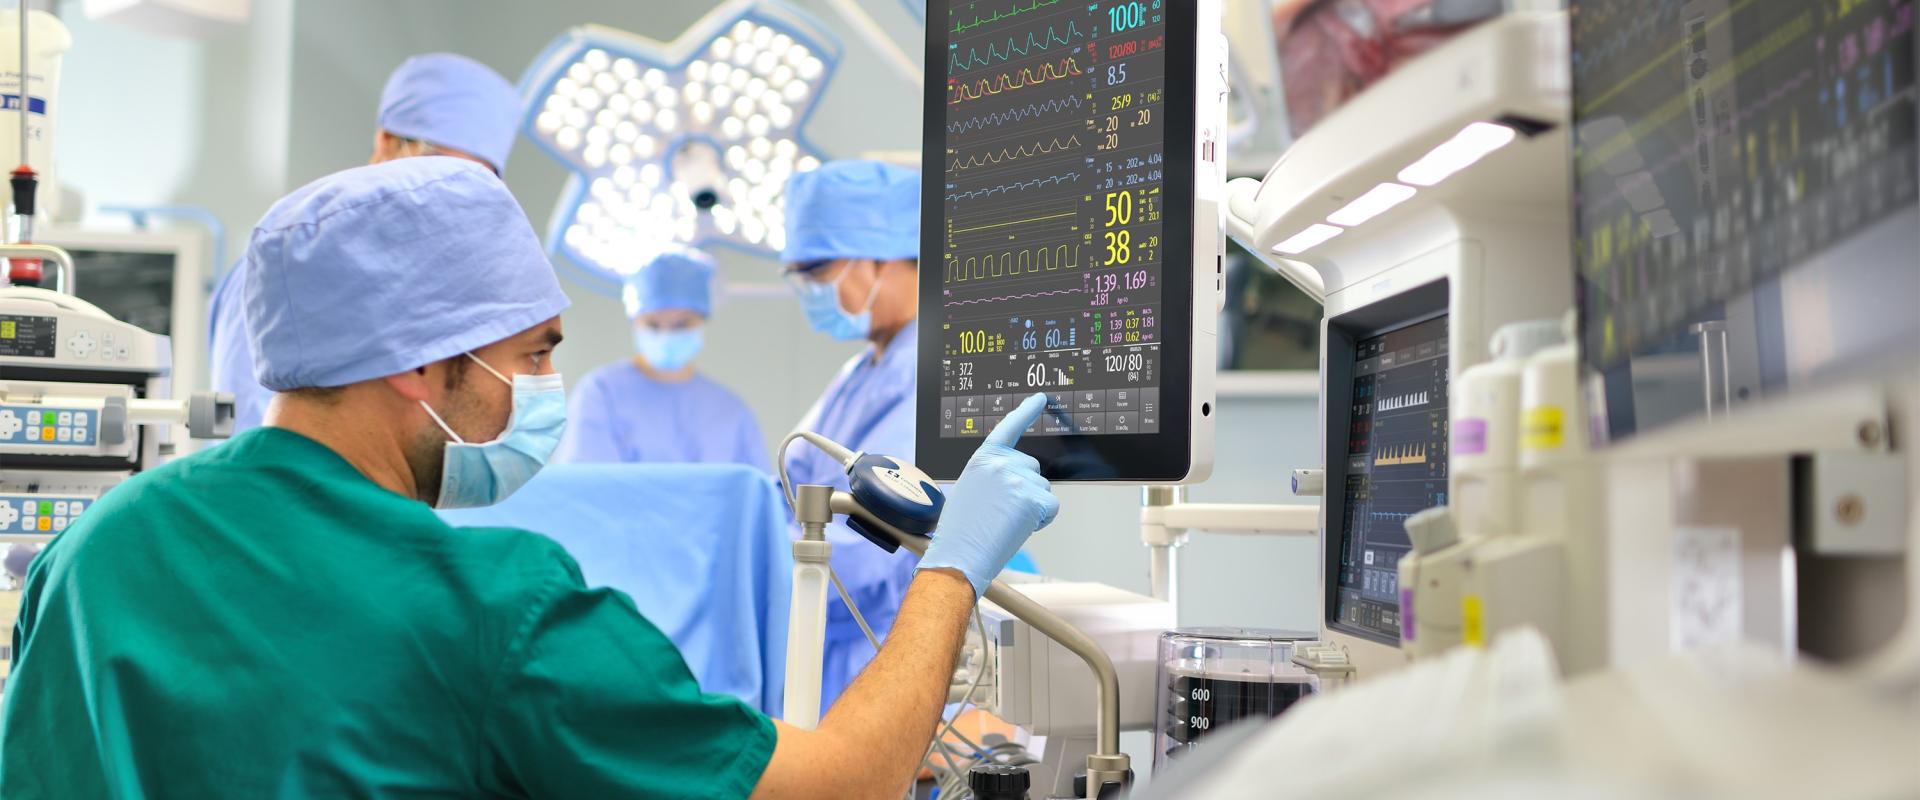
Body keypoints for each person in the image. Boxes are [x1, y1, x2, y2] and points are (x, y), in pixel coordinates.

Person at [0, 157, 1060, 798]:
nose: (548, 387)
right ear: (420, 364)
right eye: (535, 352)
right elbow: (843, 785)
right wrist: (953, 568)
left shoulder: (95, 550)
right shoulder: (491, 610)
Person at [206, 52, 520, 434]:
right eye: (437, 167)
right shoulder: (290, 264)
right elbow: (245, 432)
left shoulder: (450, 288)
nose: (447, 194)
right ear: (386, 141)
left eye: (473, 183)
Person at [777, 160, 925, 710]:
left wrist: (758, 561)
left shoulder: (934, 374)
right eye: (796, 275)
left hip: (885, 655)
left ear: (883, 257)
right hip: (831, 651)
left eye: (817, 271)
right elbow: (787, 484)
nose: (808, 290)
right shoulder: (858, 374)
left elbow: (878, 546)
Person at [553, 246, 767, 469]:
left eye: (681, 324)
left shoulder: (729, 410)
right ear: (635, 321)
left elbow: (756, 487)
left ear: (702, 320)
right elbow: (585, 482)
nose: (666, 335)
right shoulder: (602, 393)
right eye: (653, 325)